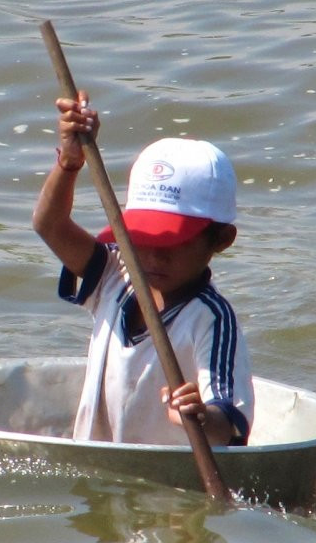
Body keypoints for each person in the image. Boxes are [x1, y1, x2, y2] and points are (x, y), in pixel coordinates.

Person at [33, 90, 254, 447]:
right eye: (141, 238)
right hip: (98, 466)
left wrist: (199, 417)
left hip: (166, 481)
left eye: (173, 242)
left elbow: (229, 427)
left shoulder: (211, 320)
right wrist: (69, 163)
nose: (153, 257)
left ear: (222, 239)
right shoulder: (115, 274)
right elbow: (49, 225)